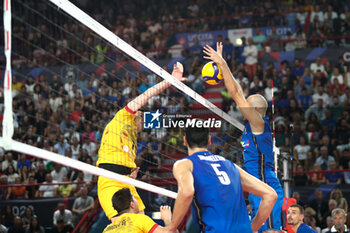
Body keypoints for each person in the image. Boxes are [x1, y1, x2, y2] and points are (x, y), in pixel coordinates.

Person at [203, 42, 284, 233]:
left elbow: (236, 93)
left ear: (255, 110)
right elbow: (238, 93)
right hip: (257, 184)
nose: (242, 106)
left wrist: (223, 64)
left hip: (265, 184)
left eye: (247, 105)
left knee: (270, 231)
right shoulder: (252, 126)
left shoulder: (259, 123)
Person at [97, 63, 184, 221]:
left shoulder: (133, 139)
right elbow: (146, 96)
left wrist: (131, 171)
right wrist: (169, 81)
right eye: (143, 120)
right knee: (122, 224)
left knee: (142, 219)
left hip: (127, 181)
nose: (144, 124)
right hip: (109, 178)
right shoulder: (124, 116)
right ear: (137, 114)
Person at [167, 123, 277, 233]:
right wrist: (252, 228)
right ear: (209, 140)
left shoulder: (185, 164)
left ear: (185, 140)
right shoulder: (230, 165)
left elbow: (186, 193)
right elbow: (270, 195)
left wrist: (171, 228)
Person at [102, 188, 176, 233]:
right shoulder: (139, 219)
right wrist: (167, 219)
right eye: (134, 198)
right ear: (132, 205)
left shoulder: (107, 229)